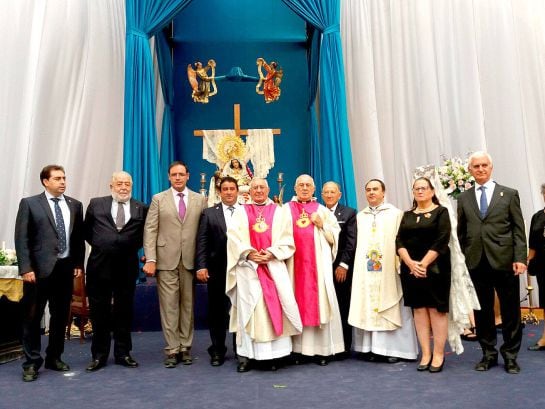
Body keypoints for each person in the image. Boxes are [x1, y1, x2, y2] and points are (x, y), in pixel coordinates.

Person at [457, 151, 527, 374]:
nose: (480, 169)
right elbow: (461, 232)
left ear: (491, 167)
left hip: (505, 261)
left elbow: (518, 230)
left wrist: (520, 258)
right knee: (483, 311)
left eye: (484, 165)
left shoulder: (508, 194)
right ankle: (488, 354)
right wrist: (463, 261)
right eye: (476, 166)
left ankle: (510, 356)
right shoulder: (464, 198)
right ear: (470, 170)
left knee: (510, 311)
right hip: (476, 262)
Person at [14, 165, 85, 382]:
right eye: (57, 178)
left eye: (64, 178)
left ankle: (54, 357)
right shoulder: (30, 204)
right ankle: (31, 362)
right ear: (45, 181)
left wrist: (78, 264)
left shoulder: (75, 205)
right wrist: (26, 268)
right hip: (37, 271)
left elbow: (78, 238)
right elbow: (22, 238)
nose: (62, 182)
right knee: (33, 317)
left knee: (60, 316)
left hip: (64, 270)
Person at [226, 178, 302, 372]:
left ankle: (275, 355)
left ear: (268, 190)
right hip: (249, 269)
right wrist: (249, 253)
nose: (258, 191)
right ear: (249, 190)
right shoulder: (241, 211)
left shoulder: (279, 211)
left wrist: (272, 253)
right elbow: (234, 238)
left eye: (262, 187)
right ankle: (248, 357)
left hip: (273, 267)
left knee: (273, 309)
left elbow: (287, 238)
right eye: (255, 188)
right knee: (249, 310)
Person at [143, 161, 207, 368]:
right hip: (165, 259)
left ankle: (185, 347)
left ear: (188, 176)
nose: (178, 177)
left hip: (190, 260)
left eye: (181, 174)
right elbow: (150, 230)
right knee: (169, 306)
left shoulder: (200, 200)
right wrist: (151, 258)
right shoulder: (158, 199)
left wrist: (202, 261)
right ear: (169, 177)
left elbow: (203, 233)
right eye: (174, 175)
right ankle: (172, 349)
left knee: (187, 306)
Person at [84, 171, 148, 372]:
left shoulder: (141, 208)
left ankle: (123, 353)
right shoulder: (96, 204)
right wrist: (106, 244)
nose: (123, 187)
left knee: (124, 312)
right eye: (119, 183)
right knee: (99, 312)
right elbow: (87, 232)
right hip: (99, 266)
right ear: (111, 186)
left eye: (127, 184)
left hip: (127, 267)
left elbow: (144, 235)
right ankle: (99, 355)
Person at [349, 179, 418, 363]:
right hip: (366, 270)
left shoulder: (395, 214)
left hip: (388, 268)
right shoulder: (360, 216)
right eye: (368, 190)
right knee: (368, 305)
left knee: (390, 304)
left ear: (383, 192)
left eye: (375, 189)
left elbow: (401, 241)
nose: (371, 193)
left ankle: (394, 350)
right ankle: (371, 348)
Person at [287, 174, 344, 365]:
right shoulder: (285, 210)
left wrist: (322, 225)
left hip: (317, 268)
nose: (304, 188)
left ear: (313, 189)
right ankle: (298, 351)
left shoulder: (322, 210)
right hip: (294, 268)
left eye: (308, 185)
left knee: (320, 303)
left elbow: (335, 236)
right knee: (294, 302)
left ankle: (322, 351)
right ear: (295, 189)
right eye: (301, 185)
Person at [396, 177, 451, 373]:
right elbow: (399, 241)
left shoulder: (441, 212)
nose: (419, 191)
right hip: (410, 269)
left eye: (423, 188)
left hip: (436, 269)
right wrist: (410, 263)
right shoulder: (407, 215)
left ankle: (438, 354)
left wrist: (423, 264)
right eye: (416, 188)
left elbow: (442, 239)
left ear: (431, 191)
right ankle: (425, 353)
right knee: (419, 310)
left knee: (436, 310)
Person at [195, 176, 240, 366]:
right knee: (217, 312)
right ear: (219, 192)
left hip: (242, 270)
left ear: (237, 191)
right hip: (217, 270)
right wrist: (201, 265)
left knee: (241, 311)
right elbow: (202, 241)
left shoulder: (247, 212)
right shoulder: (209, 214)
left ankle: (241, 351)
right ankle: (217, 350)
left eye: (232, 188)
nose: (229, 192)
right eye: (225, 189)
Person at [321, 181, 357, 359]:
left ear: (339, 195)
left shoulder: (349, 213)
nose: (329, 195)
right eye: (326, 192)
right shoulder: (317, 212)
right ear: (321, 194)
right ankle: (327, 345)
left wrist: (343, 265)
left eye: (332, 192)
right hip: (321, 267)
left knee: (342, 305)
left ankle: (344, 347)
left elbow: (351, 242)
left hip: (340, 268)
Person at [527, 183, 545, 351]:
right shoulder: (537, 217)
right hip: (542, 265)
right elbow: (532, 243)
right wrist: (527, 261)